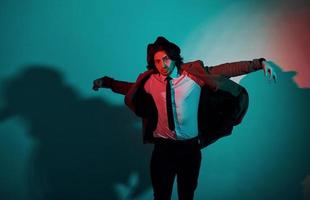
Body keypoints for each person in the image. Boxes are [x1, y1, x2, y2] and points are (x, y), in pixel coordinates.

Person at [92, 36, 276, 200]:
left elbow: (226, 69)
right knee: (161, 196)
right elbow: (130, 88)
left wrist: (258, 64)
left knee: (186, 195)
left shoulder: (193, 76)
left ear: (173, 57)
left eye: (165, 59)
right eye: (157, 61)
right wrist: (107, 83)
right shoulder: (150, 82)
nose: (162, 65)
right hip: (163, 150)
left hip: (190, 150)